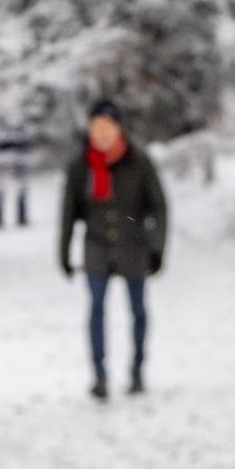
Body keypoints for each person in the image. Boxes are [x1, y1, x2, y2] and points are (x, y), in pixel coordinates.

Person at [59, 98, 168, 399]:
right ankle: (99, 375)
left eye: (107, 127)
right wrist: (64, 253)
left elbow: (158, 207)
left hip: (134, 246)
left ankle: (137, 371)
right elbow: (68, 212)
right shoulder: (81, 166)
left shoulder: (139, 161)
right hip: (96, 247)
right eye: (96, 127)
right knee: (95, 309)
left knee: (138, 310)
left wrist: (157, 248)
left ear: (118, 128)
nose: (102, 133)